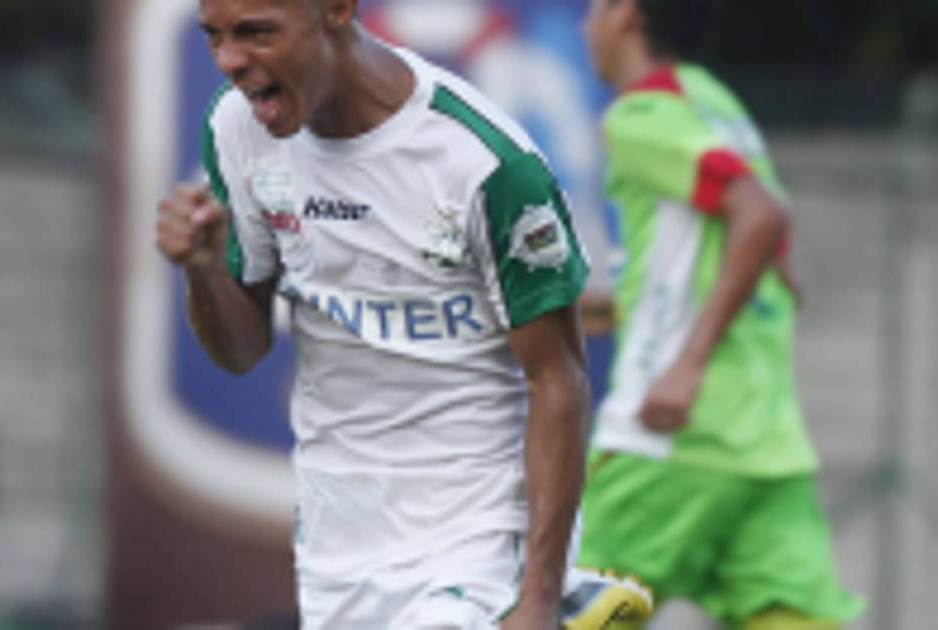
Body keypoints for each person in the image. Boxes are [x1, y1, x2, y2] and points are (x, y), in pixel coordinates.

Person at [156, 0, 652, 627]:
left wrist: (537, 600)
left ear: (337, 10)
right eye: (214, 37)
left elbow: (558, 380)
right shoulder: (236, 129)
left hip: (478, 529)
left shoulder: (485, 160)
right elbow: (240, 350)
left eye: (257, 32)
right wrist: (203, 270)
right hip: (338, 536)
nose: (229, 60)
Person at [576, 0, 864, 627]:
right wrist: (607, 305)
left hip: (671, 438)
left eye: (595, 7)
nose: (586, 24)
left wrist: (688, 363)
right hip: (765, 443)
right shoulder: (716, 102)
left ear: (626, 15)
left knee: (570, 614)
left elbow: (760, 215)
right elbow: (762, 243)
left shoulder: (642, 115)